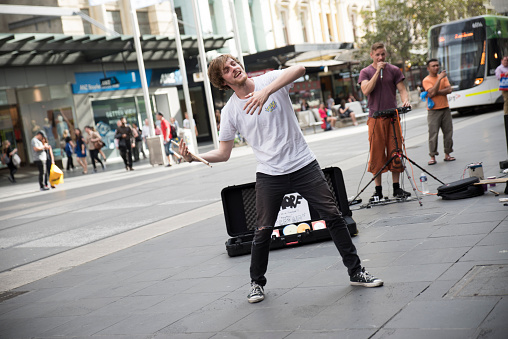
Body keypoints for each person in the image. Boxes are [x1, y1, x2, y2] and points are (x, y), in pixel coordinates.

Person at [179, 54, 383, 304]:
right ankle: (256, 283)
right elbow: (223, 153)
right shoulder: (231, 111)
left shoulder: (270, 79)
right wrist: (195, 157)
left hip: (303, 164)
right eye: (227, 69)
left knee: (334, 217)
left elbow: (299, 68)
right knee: (262, 231)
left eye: (234, 63)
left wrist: (266, 92)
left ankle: (356, 272)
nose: (234, 68)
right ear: (222, 81)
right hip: (269, 173)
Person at [359, 42, 412, 202]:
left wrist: (405, 101)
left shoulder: (394, 70)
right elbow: (366, 90)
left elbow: (402, 89)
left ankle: (396, 188)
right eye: (378, 55)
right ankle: (378, 190)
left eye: (383, 54)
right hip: (375, 119)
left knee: (395, 150)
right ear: (372, 55)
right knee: (376, 153)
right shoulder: (365, 72)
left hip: (392, 117)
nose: (381, 57)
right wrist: (377, 72)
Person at [422, 59, 455, 165]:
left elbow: (449, 90)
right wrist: (439, 79)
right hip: (433, 111)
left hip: (445, 108)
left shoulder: (443, 77)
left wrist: (436, 92)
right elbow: (431, 93)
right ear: (428, 68)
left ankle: (447, 154)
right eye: (433, 66)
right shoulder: (426, 80)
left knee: (448, 132)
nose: (436, 67)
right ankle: (432, 156)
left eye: (437, 65)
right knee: (433, 134)